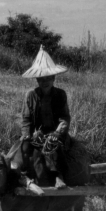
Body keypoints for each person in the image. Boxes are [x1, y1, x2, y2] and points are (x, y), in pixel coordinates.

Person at [20, 46, 71, 188]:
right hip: (38, 132)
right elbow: (26, 119)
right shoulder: (31, 95)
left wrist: (57, 132)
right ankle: (24, 175)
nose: (45, 81)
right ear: (37, 80)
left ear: (54, 78)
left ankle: (58, 176)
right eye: (41, 79)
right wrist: (26, 134)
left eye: (48, 78)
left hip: (56, 132)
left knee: (51, 143)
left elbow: (64, 118)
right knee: (24, 147)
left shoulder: (60, 94)